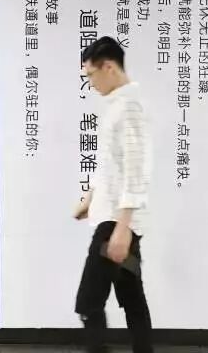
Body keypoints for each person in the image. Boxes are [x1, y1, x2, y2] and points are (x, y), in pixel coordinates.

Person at [74, 36, 153, 353]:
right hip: (115, 218)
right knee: (132, 298)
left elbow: (136, 169)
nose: (90, 83)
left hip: (116, 223)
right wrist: (90, 198)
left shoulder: (129, 107)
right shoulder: (118, 104)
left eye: (91, 75)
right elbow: (112, 165)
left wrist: (122, 227)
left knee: (88, 303)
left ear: (108, 67)